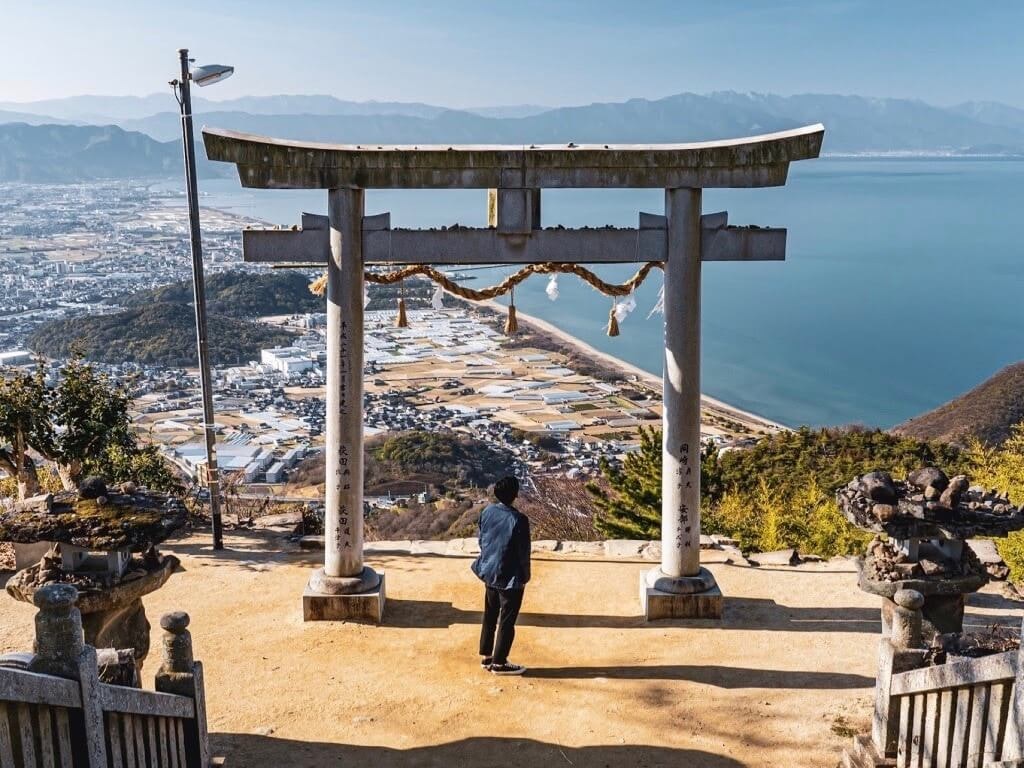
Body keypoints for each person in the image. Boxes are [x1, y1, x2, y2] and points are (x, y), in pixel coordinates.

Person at [471, 475, 531, 675]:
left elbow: (482, 539)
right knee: (507, 619)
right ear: (515, 494)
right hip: (510, 576)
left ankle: (487, 656)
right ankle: (499, 662)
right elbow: (523, 553)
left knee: (490, 614)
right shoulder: (519, 520)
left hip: (489, 570)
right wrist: (525, 576)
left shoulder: (488, 511)